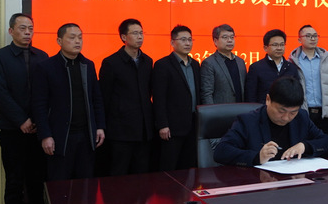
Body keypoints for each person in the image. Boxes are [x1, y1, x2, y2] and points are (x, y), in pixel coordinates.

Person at [0, 13, 49, 204]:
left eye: (30, 28)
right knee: (14, 179)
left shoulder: (42, 56)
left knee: (37, 178)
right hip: (12, 130)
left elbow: (47, 92)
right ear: (11, 31)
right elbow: (0, 92)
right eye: (22, 28)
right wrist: (21, 120)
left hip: (38, 129)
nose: (27, 32)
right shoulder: (0, 57)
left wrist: (37, 120)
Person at [32, 23, 105, 181]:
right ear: (59, 41)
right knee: (60, 184)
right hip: (60, 136)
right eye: (72, 37)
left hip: (86, 135)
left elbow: (96, 99)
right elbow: (39, 105)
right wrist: (45, 135)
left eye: (80, 37)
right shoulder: (46, 67)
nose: (77, 41)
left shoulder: (88, 65)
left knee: (85, 184)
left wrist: (99, 126)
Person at [214, 76, 328, 166]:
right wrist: (257, 157)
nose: (286, 118)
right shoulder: (248, 121)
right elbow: (221, 152)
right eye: (281, 111)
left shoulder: (301, 117)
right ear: (268, 100)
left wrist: (305, 146)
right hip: (260, 184)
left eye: (293, 112)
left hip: (294, 183)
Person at [98, 18, 153, 176]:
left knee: (141, 175)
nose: (140, 37)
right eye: (135, 33)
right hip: (120, 131)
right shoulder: (111, 63)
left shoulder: (147, 61)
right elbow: (104, 97)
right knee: (119, 173)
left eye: (141, 33)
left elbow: (149, 92)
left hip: (143, 131)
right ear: (123, 37)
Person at [152, 25, 201, 170]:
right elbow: (159, 98)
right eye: (183, 40)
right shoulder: (162, 65)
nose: (187, 43)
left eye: (190, 40)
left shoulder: (195, 65)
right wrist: (162, 124)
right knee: (169, 166)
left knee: (188, 167)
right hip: (172, 127)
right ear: (172, 42)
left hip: (193, 124)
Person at [289, 24, 328, 135]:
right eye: (308, 36)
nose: (312, 39)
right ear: (299, 39)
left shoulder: (327, 60)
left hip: (324, 113)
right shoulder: (293, 62)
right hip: (302, 111)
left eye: (315, 36)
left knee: (323, 142)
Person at [245, 29, 299, 104]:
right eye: (275, 45)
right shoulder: (256, 68)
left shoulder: (292, 68)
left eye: (282, 44)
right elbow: (250, 96)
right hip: (263, 109)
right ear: (265, 48)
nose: (279, 48)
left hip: (287, 110)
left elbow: (296, 93)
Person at [200, 24, 247, 104]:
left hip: (240, 109)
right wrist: (210, 111)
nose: (229, 40)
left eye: (232, 37)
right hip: (220, 110)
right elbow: (207, 94)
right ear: (215, 41)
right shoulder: (209, 63)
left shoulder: (240, 62)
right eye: (225, 37)